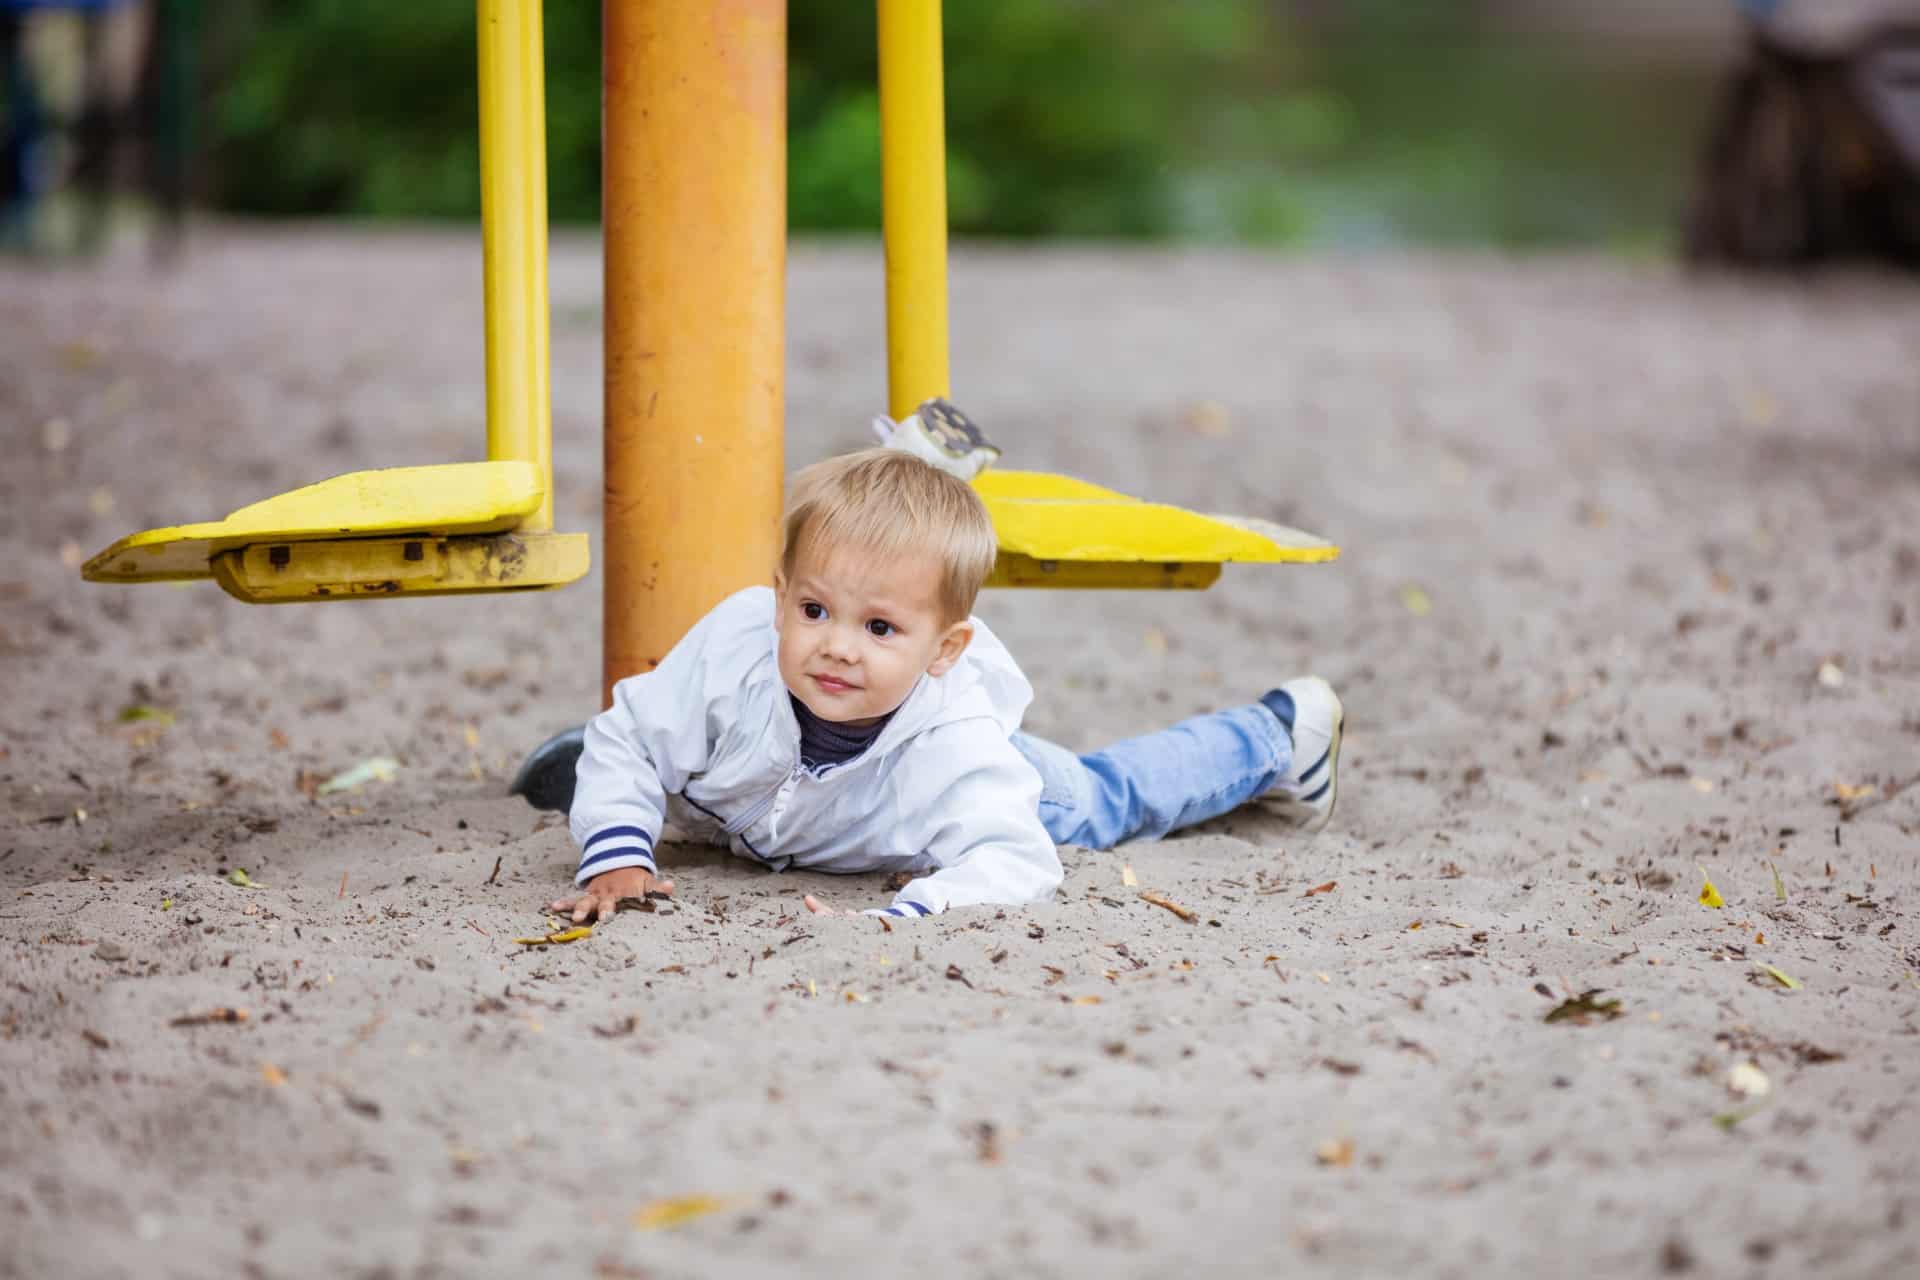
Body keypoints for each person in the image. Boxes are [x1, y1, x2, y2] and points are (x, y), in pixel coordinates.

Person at [533, 444, 1343, 924]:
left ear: (944, 648)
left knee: (1104, 798)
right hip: (791, 812)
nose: (837, 647)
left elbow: (1015, 859)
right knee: (650, 746)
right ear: (779, 599)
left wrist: (912, 910)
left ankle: (1277, 738)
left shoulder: (959, 750)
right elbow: (629, 737)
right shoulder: (735, 650)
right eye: (814, 610)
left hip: (971, 789)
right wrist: (619, 853)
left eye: (880, 628)